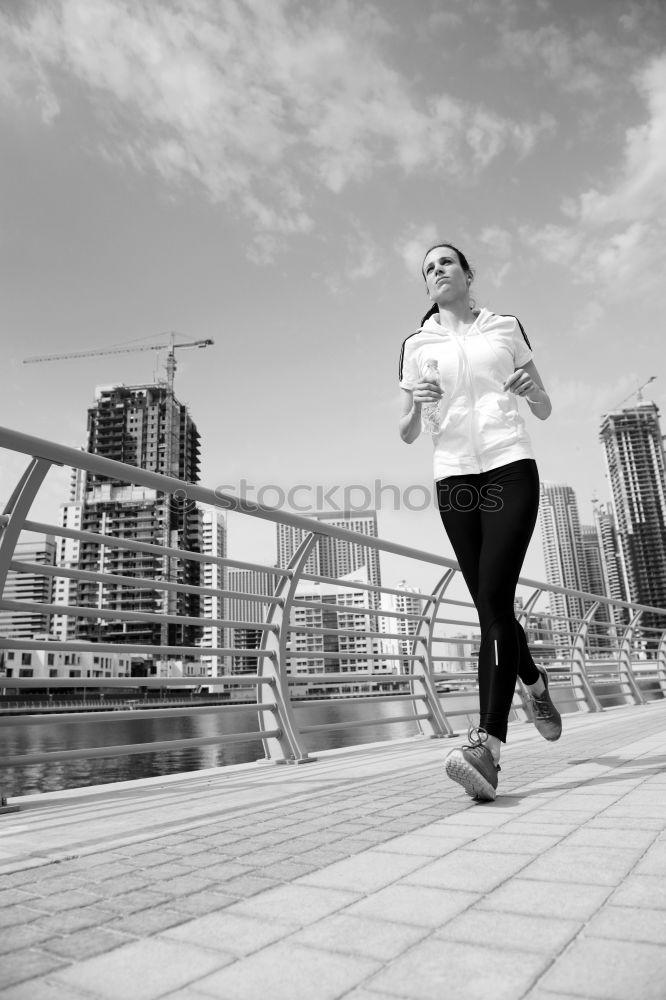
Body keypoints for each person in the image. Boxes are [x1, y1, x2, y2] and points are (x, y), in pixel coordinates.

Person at [398, 242, 561, 802]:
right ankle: (534, 680)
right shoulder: (417, 344)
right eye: (428, 269)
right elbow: (405, 431)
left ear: (468, 274)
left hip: (510, 464)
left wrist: (531, 389)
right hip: (454, 479)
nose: (437, 271)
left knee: (493, 590)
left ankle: (487, 747)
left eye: (445, 262)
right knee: (491, 606)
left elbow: (543, 406)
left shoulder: (506, 328)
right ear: (427, 287)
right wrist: (416, 404)